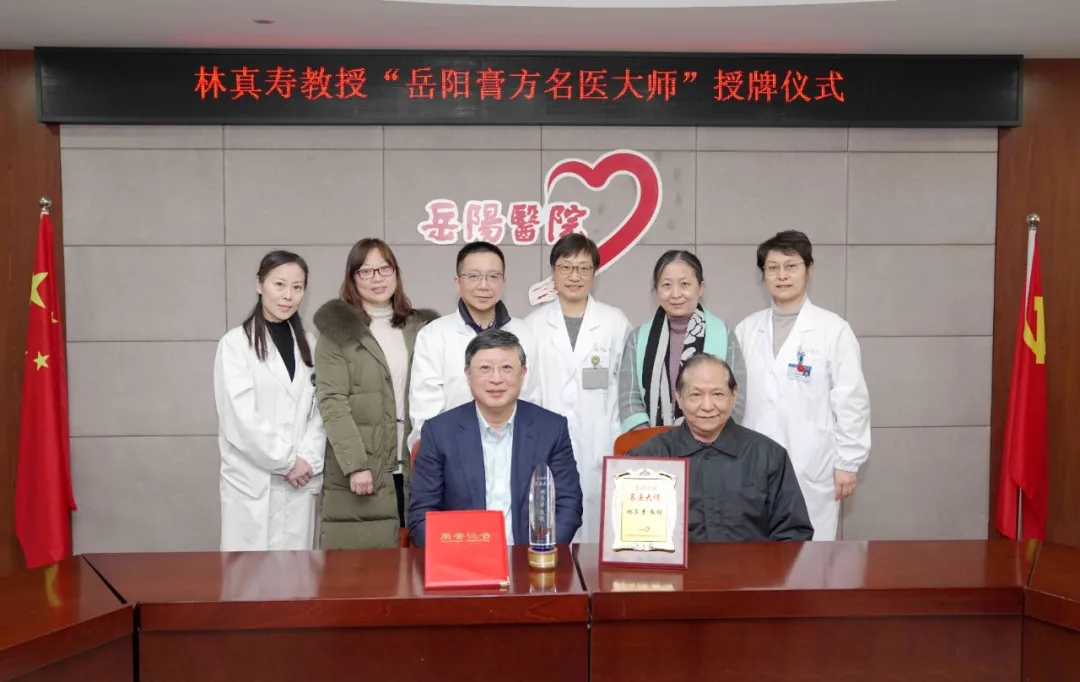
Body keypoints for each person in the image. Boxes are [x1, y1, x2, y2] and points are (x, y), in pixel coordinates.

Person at [734, 230, 871, 541]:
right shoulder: (746, 330)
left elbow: (851, 400)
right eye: (772, 268)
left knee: (812, 555)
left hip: (812, 464)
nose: (782, 275)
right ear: (763, 275)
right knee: (756, 555)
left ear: (808, 269)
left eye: (791, 266)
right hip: (754, 466)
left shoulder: (833, 330)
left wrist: (848, 463)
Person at [312, 238, 438, 549]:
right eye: (366, 271)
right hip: (364, 471)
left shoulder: (423, 328)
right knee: (365, 569)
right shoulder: (337, 333)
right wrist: (356, 464)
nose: (377, 278)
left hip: (416, 466)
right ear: (352, 278)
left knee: (418, 565)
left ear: (396, 272)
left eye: (384, 268)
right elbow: (332, 402)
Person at [407, 329, 583, 547]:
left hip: (530, 556)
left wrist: (541, 552)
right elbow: (422, 515)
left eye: (507, 368)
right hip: (462, 558)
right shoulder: (439, 432)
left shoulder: (551, 429)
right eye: (485, 369)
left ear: (523, 373)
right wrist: (459, 557)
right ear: (467, 374)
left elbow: (569, 505)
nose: (496, 379)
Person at [627, 353, 813, 542]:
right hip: (677, 563)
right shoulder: (647, 458)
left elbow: (793, 535)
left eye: (717, 394)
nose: (708, 406)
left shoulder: (769, 456)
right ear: (679, 397)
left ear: (734, 395)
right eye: (696, 395)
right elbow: (629, 536)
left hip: (752, 562)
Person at [213, 250, 326, 551]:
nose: (288, 295)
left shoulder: (311, 345)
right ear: (259, 284)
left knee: (297, 573)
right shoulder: (235, 345)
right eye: (279, 284)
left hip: (299, 482)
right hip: (253, 485)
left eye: (297, 287)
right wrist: (288, 461)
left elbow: (320, 411)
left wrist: (306, 459)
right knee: (249, 575)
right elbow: (239, 417)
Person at [524, 234, 631, 544]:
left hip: (600, 441)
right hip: (546, 445)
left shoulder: (614, 322)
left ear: (594, 273)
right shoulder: (533, 325)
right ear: (553, 272)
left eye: (584, 268)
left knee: (600, 529)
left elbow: (626, 388)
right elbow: (527, 392)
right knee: (551, 523)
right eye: (566, 267)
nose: (575, 276)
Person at [407, 241, 541, 449]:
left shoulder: (523, 333)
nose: (483, 286)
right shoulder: (433, 335)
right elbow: (425, 413)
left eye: (493, 277)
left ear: (503, 282)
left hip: (512, 452)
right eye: (473, 276)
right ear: (457, 282)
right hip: (452, 453)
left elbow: (531, 401)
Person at [618, 250, 746, 432]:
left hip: (711, 440)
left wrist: (703, 436)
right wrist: (651, 440)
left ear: (700, 288)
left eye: (684, 284)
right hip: (651, 442)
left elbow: (736, 398)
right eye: (666, 285)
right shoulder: (638, 338)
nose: (676, 294)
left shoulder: (723, 335)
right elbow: (629, 397)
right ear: (655, 290)